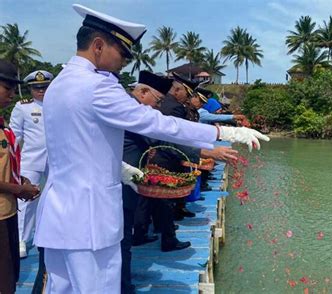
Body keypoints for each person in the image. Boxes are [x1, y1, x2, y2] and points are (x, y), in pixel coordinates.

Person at [34, 4, 268, 293]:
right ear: (98, 45)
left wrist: (121, 169)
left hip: (58, 217)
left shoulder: (59, 84)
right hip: (90, 222)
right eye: (122, 53)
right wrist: (225, 130)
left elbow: (76, 146)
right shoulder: (97, 87)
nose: (124, 62)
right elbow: (158, 124)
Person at [121, 70, 174, 293]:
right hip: (120, 187)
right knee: (121, 241)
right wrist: (207, 147)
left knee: (123, 240)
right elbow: (168, 134)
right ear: (142, 92)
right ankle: (122, 286)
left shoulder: (134, 108)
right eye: (158, 100)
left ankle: (122, 282)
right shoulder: (130, 111)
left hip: (129, 184)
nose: (158, 106)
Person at [0, 59, 40, 294]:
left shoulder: (3, 128)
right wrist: (18, 190)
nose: (13, 95)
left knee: (9, 278)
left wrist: (20, 182)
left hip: (7, 213)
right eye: (7, 88)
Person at [10, 70, 52, 259]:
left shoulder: (59, 104)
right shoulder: (23, 107)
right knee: (26, 201)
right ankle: (22, 240)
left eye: (44, 87)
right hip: (31, 159)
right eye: (37, 88)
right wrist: (12, 161)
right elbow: (14, 136)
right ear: (30, 89)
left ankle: (53, 234)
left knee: (56, 198)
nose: (41, 91)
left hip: (56, 159)